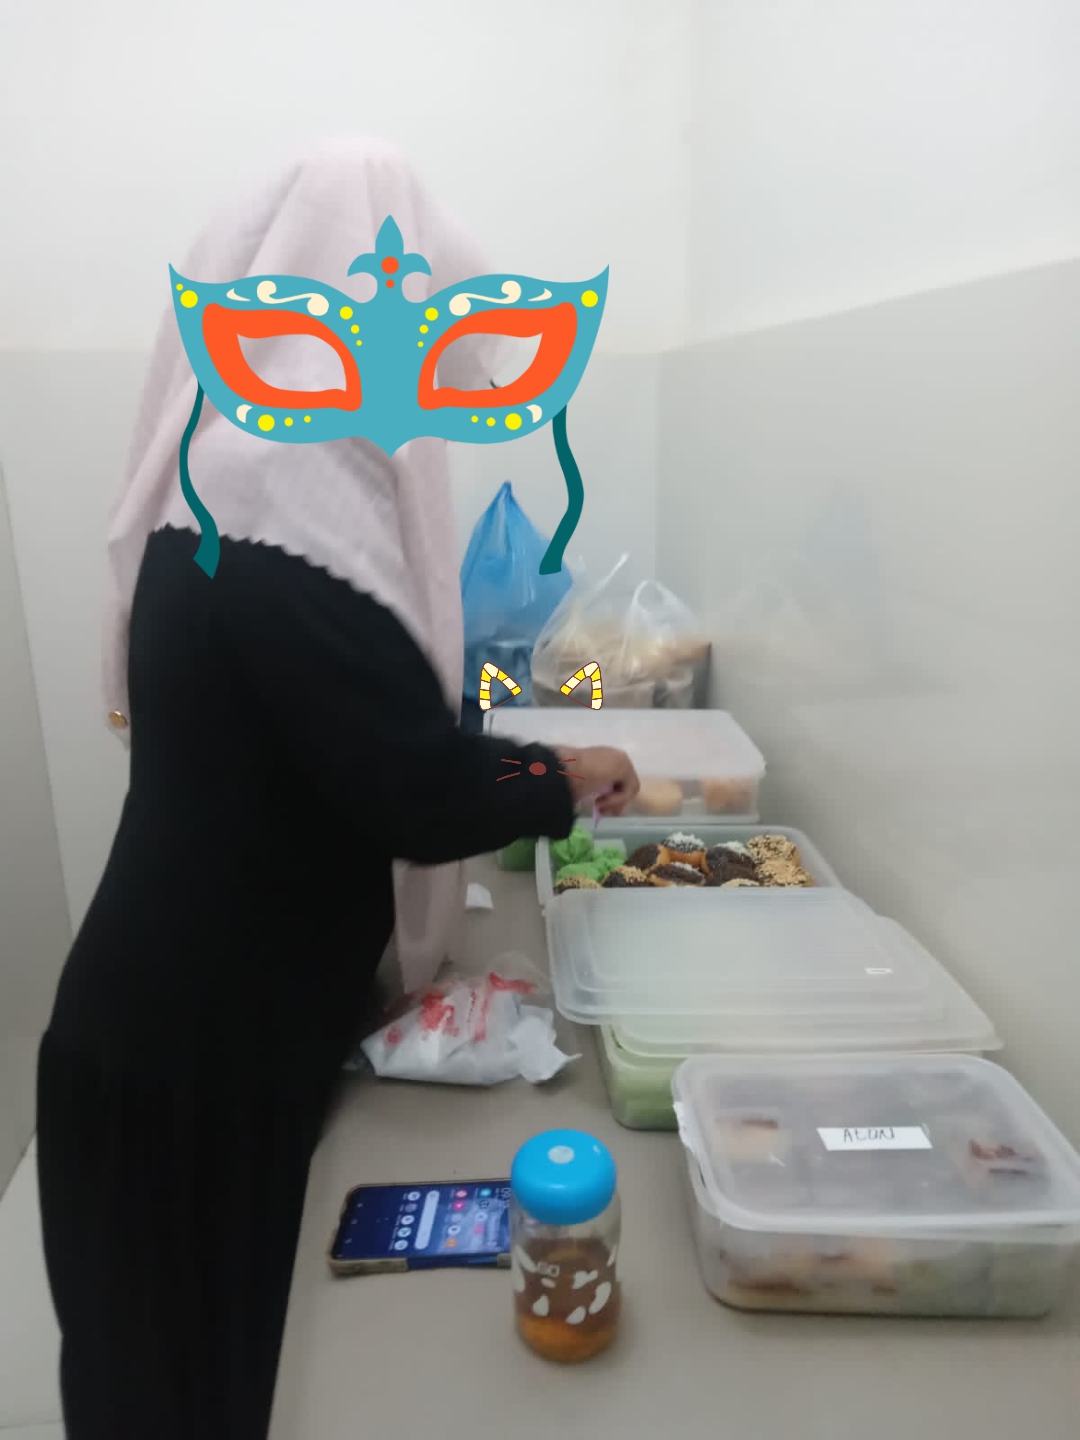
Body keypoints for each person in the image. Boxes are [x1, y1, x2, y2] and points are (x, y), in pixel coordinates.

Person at [35, 137, 639, 1440]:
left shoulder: (237, 494)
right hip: (188, 1071)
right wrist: (561, 772)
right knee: (186, 1394)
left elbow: (368, 720)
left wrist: (531, 731)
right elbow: (413, 785)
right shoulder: (279, 515)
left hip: (188, 1030)